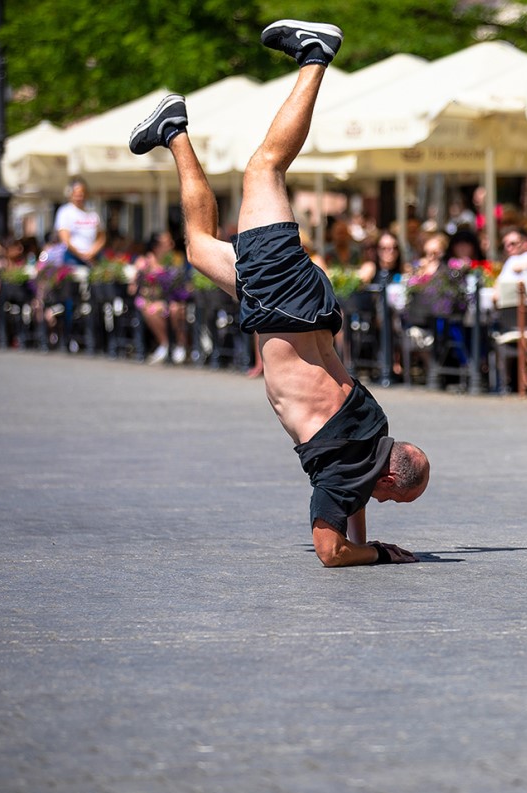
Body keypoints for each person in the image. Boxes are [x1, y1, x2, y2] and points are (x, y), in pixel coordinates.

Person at [129, 19, 429, 566]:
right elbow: (330, 552)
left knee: (198, 248)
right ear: (388, 472)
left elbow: (357, 490)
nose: (383, 500)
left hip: (297, 308)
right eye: (391, 495)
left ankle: (172, 130)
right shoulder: (346, 471)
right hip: (285, 305)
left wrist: (362, 533)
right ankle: (316, 55)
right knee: (263, 168)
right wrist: (376, 552)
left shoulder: (374, 431)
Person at [133, 231, 189, 365]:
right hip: (152, 299)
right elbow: (137, 286)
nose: (172, 245)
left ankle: (180, 345)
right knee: (148, 309)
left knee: (175, 309)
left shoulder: (175, 259)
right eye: (167, 242)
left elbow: (179, 286)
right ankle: (165, 343)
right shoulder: (145, 261)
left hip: (172, 299)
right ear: (157, 245)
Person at [54, 177, 105, 267]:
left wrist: (92, 252)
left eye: (82, 194)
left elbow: (101, 237)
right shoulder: (65, 212)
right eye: (77, 194)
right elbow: (65, 239)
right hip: (73, 258)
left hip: (93, 258)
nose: (80, 197)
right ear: (70, 194)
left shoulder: (93, 212)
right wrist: (81, 255)